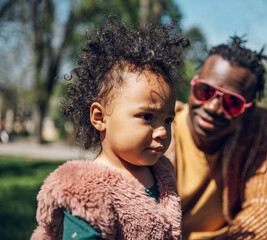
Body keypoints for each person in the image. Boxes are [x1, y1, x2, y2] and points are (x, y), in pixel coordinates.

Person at [31, 16, 189, 240]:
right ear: (99, 117)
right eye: (147, 116)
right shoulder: (85, 191)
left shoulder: (162, 174)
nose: (163, 131)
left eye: (168, 120)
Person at [166, 36, 267, 240]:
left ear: (248, 111)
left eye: (232, 102)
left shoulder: (258, 129)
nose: (212, 107)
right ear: (193, 84)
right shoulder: (158, 127)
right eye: (205, 91)